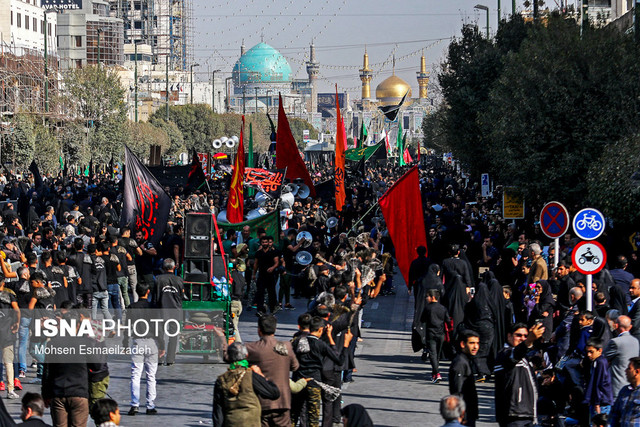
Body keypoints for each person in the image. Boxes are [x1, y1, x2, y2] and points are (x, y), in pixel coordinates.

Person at [245, 314, 299, 426]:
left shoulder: (252, 348)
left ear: (259, 330)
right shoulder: (286, 346)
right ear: (275, 329)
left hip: (262, 400)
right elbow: (295, 366)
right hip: (282, 400)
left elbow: (230, 357)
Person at [212, 342, 280, 427]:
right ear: (246, 355)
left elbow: (218, 412)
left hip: (231, 423)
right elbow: (274, 393)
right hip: (252, 423)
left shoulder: (221, 380)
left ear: (229, 358)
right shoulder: (252, 376)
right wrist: (262, 376)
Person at [493, 322, 544, 427]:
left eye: (525, 336)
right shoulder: (504, 354)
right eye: (518, 335)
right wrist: (529, 340)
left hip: (527, 414)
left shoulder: (525, 357)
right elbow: (514, 355)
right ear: (509, 336)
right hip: (515, 414)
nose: (522, 338)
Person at [128, 282, 165, 416]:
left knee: (135, 374)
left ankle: (134, 405)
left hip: (137, 341)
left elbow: (127, 326)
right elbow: (159, 328)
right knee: (151, 376)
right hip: (152, 342)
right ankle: (150, 405)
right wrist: (162, 345)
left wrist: (125, 342)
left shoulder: (132, 307)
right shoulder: (153, 307)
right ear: (148, 292)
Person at [154, 258, 184, 365]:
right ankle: (170, 359)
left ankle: (160, 358)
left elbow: (155, 297)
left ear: (163, 267)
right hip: (175, 311)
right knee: (173, 336)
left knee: (159, 335)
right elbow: (181, 296)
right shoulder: (179, 280)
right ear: (174, 267)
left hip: (161, 310)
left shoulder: (158, 279)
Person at [449, 330, 480, 427]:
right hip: (464, 415)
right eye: (472, 343)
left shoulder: (466, 360)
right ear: (463, 344)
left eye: (477, 343)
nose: (475, 347)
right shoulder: (460, 363)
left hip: (469, 412)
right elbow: (456, 391)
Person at [604, 315, 639, 398]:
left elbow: (603, 358)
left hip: (617, 385)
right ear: (630, 327)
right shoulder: (635, 341)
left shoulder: (615, 342)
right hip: (632, 383)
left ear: (616, 326)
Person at [420, 289, 450, 382]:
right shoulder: (443, 308)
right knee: (437, 354)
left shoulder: (428, 308)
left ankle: (437, 373)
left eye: (427, 296)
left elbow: (422, 319)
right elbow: (448, 320)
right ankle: (434, 373)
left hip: (430, 333)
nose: (426, 298)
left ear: (432, 297)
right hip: (441, 333)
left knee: (432, 354)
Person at [583, 339, 613, 418]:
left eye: (591, 352)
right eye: (587, 352)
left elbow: (599, 383)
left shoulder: (600, 362)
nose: (589, 354)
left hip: (602, 403)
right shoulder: (597, 362)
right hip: (599, 401)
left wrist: (597, 403)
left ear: (600, 350)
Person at [609, 356, 640, 427]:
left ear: (637, 372)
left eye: (629, 369)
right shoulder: (624, 391)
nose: (625, 371)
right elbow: (614, 415)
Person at [252, 236, 280, 314]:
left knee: (272, 292)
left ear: (268, 243)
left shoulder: (273, 252)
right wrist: (254, 274)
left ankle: (272, 308)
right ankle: (260, 309)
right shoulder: (258, 253)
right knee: (260, 292)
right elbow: (255, 264)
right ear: (261, 243)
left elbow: (277, 262)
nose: (265, 244)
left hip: (270, 275)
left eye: (266, 242)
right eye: (263, 242)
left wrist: (272, 267)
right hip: (261, 275)